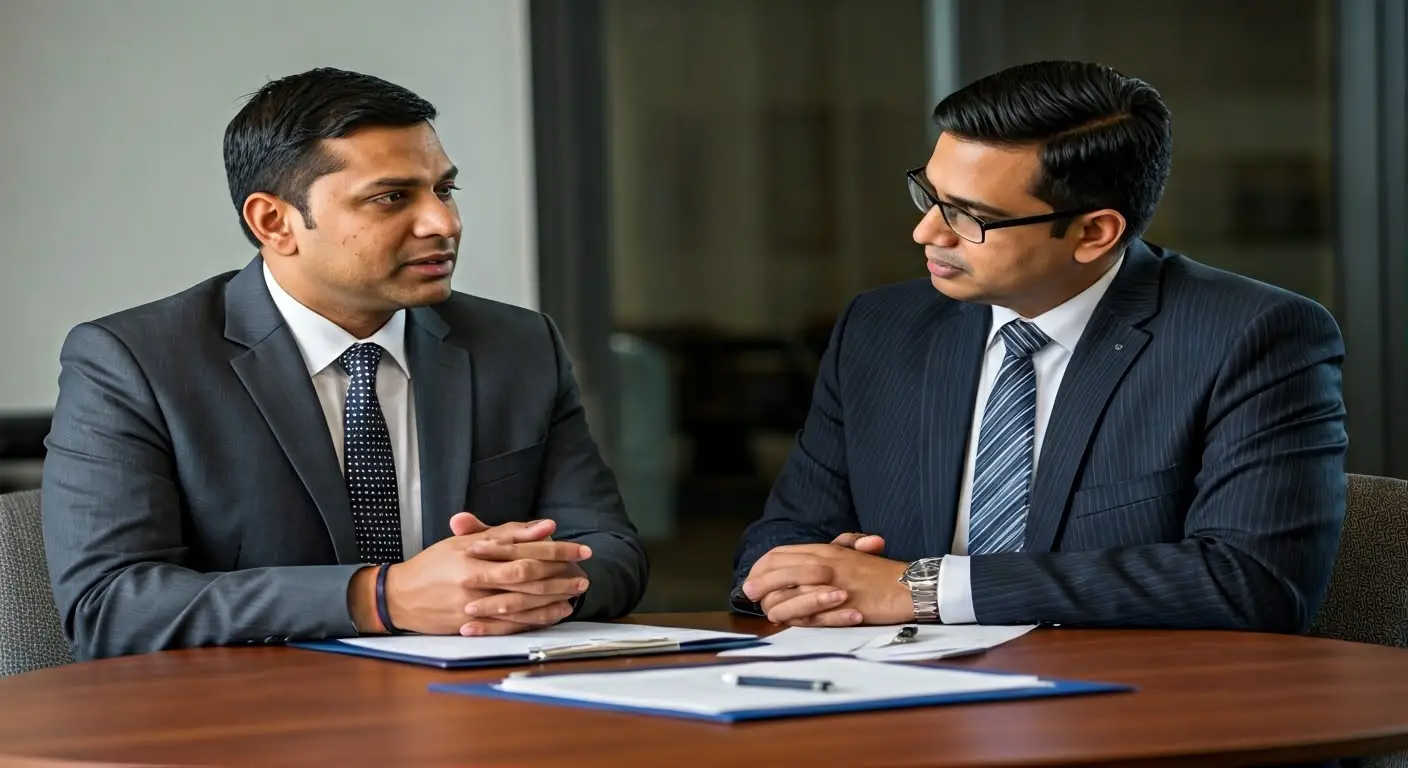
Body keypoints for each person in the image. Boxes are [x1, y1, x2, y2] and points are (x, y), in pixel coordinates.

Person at [42, 68, 648, 660]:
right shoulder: (133, 362)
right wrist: (381, 597)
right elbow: (109, 605)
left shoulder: (519, 344)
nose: (444, 223)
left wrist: (516, 585)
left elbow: (611, 550)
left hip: (482, 697)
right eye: (391, 198)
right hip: (255, 711)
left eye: (444, 190)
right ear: (275, 222)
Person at [730, 60, 1347, 632]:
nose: (926, 231)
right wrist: (806, 580)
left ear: (1093, 233)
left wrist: (923, 588)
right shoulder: (881, 327)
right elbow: (785, 531)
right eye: (930, 195)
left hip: (1133, 698)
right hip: (892, 685)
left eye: (969, 215)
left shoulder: (1252, 336)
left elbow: (1252, 581)